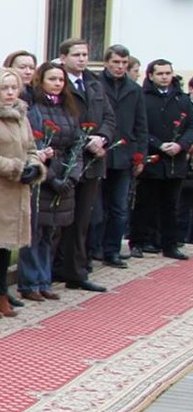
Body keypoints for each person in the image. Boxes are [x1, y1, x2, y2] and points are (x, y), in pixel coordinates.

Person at [0, 68, 47, 317]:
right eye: (5, 88)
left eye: (14, 87)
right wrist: (15, 167)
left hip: (18, 190)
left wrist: (35, 167)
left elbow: (32, 147)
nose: (10, 93)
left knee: (6, 246)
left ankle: (1, 293)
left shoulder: (21, 116)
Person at [19, 61, 82, 302]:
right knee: (34, 232)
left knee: (50, 233)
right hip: (43, 177)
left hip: (64, 174)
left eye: (60, 80)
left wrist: (71, 175)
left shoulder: (68, 109)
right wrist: (51, 177)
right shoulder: (34, 109)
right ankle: (29, 282)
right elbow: (34, 145)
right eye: (52, 79)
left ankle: (44, 280)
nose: (57, 84)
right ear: (40, 81)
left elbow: (76, 142)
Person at [54, 39, 112, 292]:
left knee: (82, 220)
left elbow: (109, 116)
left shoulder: (95, 83)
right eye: (76, 54)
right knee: (58, 218)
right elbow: (57, 117)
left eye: (85, 54)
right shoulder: (57, 81)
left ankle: (76, 272)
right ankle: (51, 270)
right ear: (63, 57)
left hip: (94, 160)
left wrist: (103, 138)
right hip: (67, 160)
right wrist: (83, 140)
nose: (82, 59)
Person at [134, 59, 193, 260]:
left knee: (171, 205)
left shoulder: (182, 99)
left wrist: (181, 145)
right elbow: (140, 126)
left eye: (168, 73)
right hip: (153, 157)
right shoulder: (142, 97)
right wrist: (158, 144)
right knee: (144, 202)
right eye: (160, 74)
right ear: (150, 75)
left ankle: (170, 244)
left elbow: (191, 127)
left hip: (176, 160)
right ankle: (138, 242)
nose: (165, 77)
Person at [95, 45, 142, 267]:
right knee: (97, 206)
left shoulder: (134, 88)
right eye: (116, 62)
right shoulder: (96, 84)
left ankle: (112, 250)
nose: (120, 67)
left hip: (125, 154)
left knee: (119, 206)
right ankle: (94, 248)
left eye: (124, 63)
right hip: (100, 153)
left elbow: (141, 123)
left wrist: (140, 155)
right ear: (106, 62)